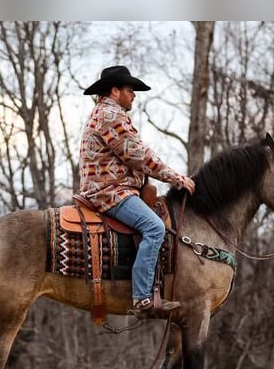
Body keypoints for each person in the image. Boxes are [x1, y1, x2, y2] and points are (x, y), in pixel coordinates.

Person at [79, 65, 196, 317]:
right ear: (115, 90)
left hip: (111, 188)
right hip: (110, 192)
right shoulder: (110, 115)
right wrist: (176, 178)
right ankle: (142, 298)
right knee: (155, 227)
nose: (134, 95)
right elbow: (138, 155)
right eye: (130, 89)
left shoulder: (104, 113)